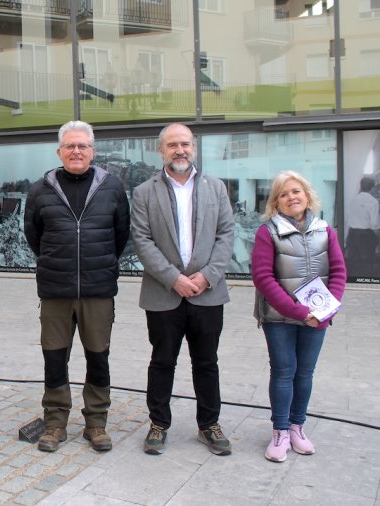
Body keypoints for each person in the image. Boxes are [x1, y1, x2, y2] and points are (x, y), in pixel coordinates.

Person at [23, 120, 130, 453]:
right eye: (70, 146)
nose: (76, 151)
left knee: (98, 357)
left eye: (82, 146)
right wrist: (61, 263)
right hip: (55, 290)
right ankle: (55, 423)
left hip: (98, 290)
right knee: (55, 359)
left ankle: (96, 423)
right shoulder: (40, 190)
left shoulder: (111, 187)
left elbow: (121, 234)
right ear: (59, 151)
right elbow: (34, 236)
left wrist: (97, 264)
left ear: (92, 151)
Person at [130, 123, 235, 456]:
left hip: (208, 293)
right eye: (172, 145)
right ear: (161, 150)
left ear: (194, 148)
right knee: (162, 362)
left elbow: (226, 235)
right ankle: (158, 424)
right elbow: (142, 240)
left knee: (206, 363)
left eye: (185, 144)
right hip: (164, 293)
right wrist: (173, 278)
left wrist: (207, 276)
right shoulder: (144, 192)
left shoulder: (216, 188)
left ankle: (209, 425)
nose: (180, 150)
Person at [251, 171, 346, 462]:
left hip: (318, 319)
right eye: (283, 193)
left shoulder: (325, 230)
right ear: (275, 202)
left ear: (307, 195)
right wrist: (301, 312)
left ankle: (297, 427)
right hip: (279, 318)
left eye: (296, 191)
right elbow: (263, 278)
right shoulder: (267, 232)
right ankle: (280, 430)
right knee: (283, 372)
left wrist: (326, 310)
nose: (292, 197)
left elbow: (339, 272)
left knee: (305, 373)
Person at [346, 176, 380, 277]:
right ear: (373, 188)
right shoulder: (373, 202)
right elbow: (375, 225)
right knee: (366, 262)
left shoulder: (353, 199)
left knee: (352, 261)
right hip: (365, 236)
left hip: (352, 234)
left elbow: (348, 218)